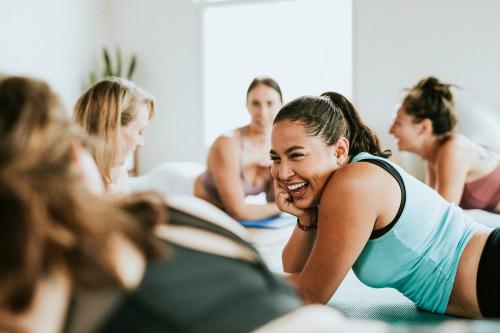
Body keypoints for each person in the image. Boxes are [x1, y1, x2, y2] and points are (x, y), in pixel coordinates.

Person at [0, 77, 370, 333]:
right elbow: (291, 288)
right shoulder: (181, 209)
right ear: (73, 151)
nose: (140, 142)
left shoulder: (38, 293)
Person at [270, 91, 500, 318]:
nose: (282, 172)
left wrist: (239, 277)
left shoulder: (353, 183)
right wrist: (307, 219)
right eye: (275, 158)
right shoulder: (343, 184)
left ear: (339, 151)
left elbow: (310, 294)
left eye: (296, 155)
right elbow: (294, 270)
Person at [389, 77, 500, 212]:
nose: (391, 130)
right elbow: (430, 206)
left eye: (398, 123)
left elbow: (444, 215)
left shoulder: (452, 149)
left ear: (424, 127)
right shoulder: (432, 155)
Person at [194, 77, 283, 220]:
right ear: (247, 106)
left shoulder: (278, 146)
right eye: (256, 103)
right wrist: (285, 207)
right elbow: (238, 212)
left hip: (220, 214)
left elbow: (273, 200)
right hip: (182, 192)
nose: (263, 112)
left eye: (270, 103)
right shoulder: (227, 144)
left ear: (281, 105)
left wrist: (275, 175)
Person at [74, 77, 155, 194]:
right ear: (112, 124)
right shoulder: (74, 179)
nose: (141, 143)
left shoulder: (119, 176)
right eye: (139, 132)